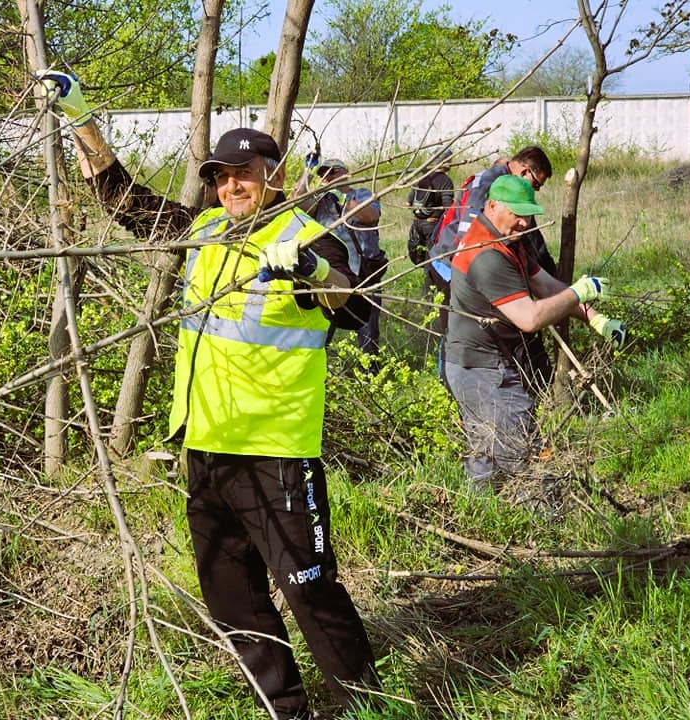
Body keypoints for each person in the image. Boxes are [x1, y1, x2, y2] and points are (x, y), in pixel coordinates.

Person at [35, 71, 379, 720]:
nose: (230, 185)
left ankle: (371, 706)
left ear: (273, 174)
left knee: (310, 592)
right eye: (221, 176)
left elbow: (351, 300)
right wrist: (80, 116)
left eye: (242, 172)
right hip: (205, 450)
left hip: (276, 453)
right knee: (233, 600)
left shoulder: (303, 238)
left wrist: (309, 270)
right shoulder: (205, 231)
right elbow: (125, 201)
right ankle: (287, 709)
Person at [443, 174, 627, 499]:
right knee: (524, 457)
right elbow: (530, 318)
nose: (524, 222)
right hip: (484, 372)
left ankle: (483, 518)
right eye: (517, 213)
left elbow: (544, 285)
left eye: (528, 214)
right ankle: (544, 532)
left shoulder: (508, 239)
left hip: (477, 364)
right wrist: (578, 293)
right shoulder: (486, 255)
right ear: (492, 205)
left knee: (486, 456)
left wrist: (597, 319)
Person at [429, 146, 557, 384]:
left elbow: (528, 240)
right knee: (459, 332)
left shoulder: (514, 190)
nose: (535, 191)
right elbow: (468, 243)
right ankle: (450, 386)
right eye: (536, 185)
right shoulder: (488, 184)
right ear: (524, 171)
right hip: (451, 266)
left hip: (475, 263)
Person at [296, 156, 386, 356]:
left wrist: (345, 200)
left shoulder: (362, 194)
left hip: (364, 273)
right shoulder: (322, 201)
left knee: (367, 330)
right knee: (324, 328)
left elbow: (371, 215)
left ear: (346, 173)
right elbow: (298, 201)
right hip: (331, 274)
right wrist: (307, 172)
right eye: (324, 174)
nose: (328, 177)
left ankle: (371, 375)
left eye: (333, 172)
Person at [407, 148, 454, 277]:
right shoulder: (445, 181)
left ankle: (427, 281)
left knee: (421, 255)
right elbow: (447, 206)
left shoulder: (422, 176)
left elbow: (408, 203)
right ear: (445, 162)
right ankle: (430, 284)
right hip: (432, 224)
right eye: (450, 160)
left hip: (417, 223)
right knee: (433, 257)